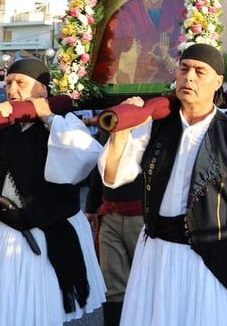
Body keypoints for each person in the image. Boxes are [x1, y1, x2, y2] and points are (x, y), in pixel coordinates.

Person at [102, 43, 227, 326]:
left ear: (218, 81)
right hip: (156, 257)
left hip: (210, 258)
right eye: (184, 69)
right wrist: (122, 132)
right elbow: (113, 176)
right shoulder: (154, 126)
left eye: (200, 71)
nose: (190, 77)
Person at [0, 58, 107, 325]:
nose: (12, 90)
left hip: (52, 227)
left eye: (20, 83)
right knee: (8, 307)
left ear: (42, 91)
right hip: (10, 229)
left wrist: (47, 116)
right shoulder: (2, 124)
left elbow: (84, 158)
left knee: (45, 308)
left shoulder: (63, 123)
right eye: (9, 83)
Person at [84, 129, 145, 326]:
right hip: (110, 213)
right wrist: (92, 206)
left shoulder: (158, 124)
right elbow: (99, 168)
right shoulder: (112, 122)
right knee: (112, 287)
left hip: (143, 218)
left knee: (146, 283)